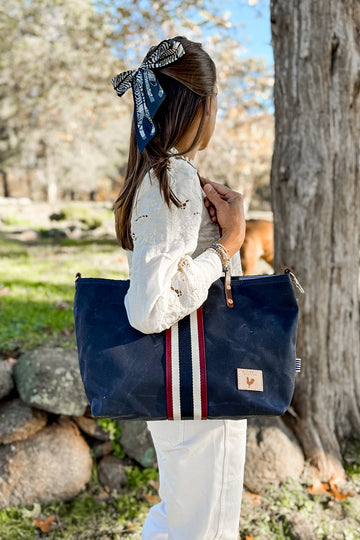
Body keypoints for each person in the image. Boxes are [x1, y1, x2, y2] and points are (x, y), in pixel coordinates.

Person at [112, 36, 247, 540]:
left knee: (180, 519)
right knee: (203, 529)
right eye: (215, 102)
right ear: (200, 105)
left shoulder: (158, 174)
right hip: (198, 387)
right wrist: (226, 246)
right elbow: (149, 308)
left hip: (183, 385)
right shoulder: (173, 179)